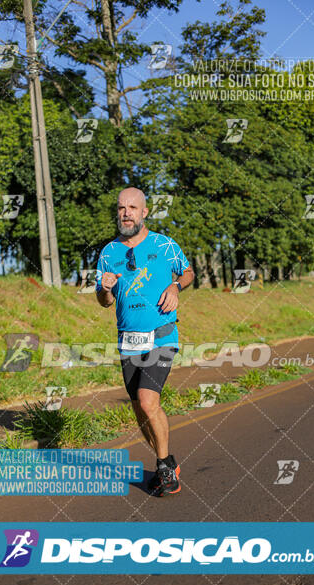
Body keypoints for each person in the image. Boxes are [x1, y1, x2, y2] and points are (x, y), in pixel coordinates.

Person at [96, 187, 194, 496]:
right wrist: (106, 288)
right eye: (122, 208)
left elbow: (189, 272)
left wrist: (176, 287)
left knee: (148, 399)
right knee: (141, 409)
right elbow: (104, 301)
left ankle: (164, 467)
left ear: (145, 212)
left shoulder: (164, 245)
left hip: (162, 335)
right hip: (128, 341)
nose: (126, 213)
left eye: (132, 208)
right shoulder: (108, 253)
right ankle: (167, 461)